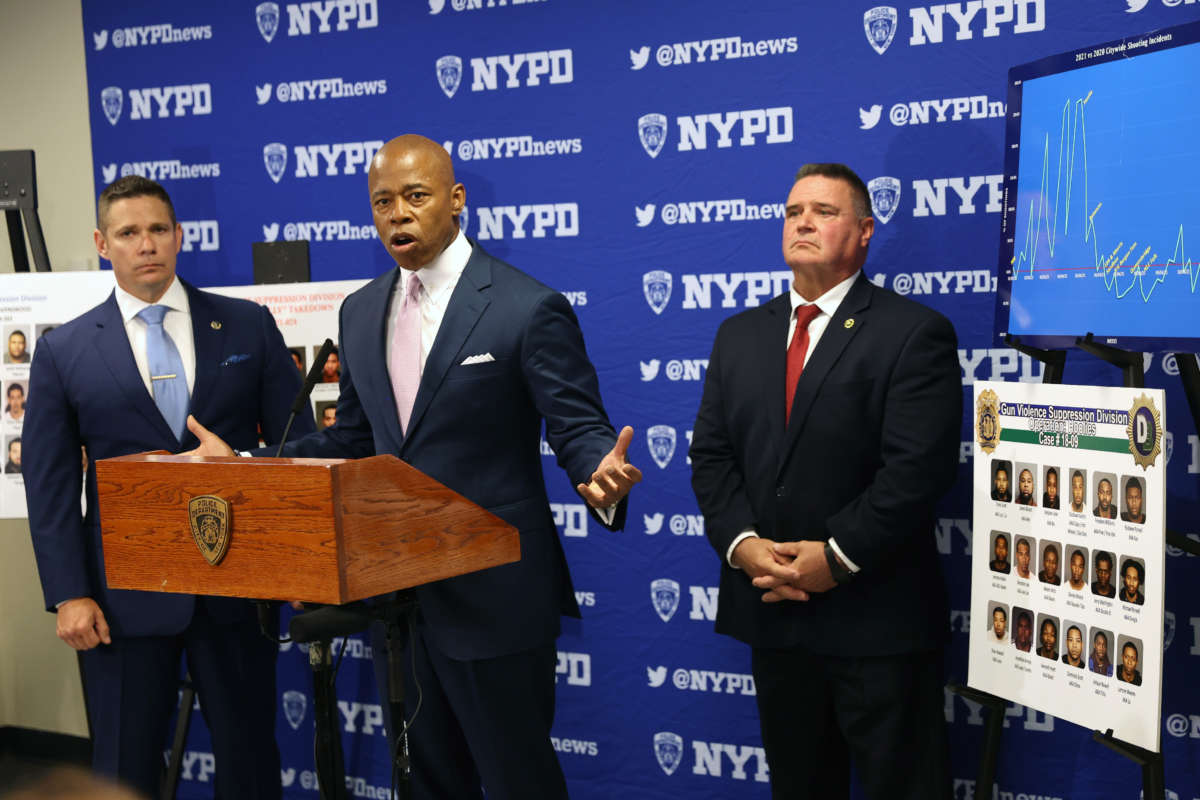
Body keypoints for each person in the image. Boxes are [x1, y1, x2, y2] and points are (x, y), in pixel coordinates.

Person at [186, 135, 640, 800]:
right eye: (382, 202)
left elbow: (577, 426)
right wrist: (251, 463)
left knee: (519, 781)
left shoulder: (524, 306)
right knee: (426, 782)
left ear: (455, 201)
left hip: (495, 596)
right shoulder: (362, 309)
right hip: (400, 597)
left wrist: (601, 474)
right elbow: (354, 441)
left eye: (415, 197)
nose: (397, 213)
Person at [23, 175, 312, 799]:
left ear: (180, 236)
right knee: (123, 767)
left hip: (236, 588)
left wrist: (241, 464)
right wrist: (69, 594)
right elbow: (47, 486)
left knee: (249, 763)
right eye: (128, 233)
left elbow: (302, 446)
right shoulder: (64, 351)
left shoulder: (246, 325)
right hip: (118, 600)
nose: (145, 244)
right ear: (104, 244)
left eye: (158, 229)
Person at [689, 162, 960, 799]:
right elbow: (712, 457)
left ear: (865, 232)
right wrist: (742, 546)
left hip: (877, 622)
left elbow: (918, 470)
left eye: (823, 211)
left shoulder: (912, 331)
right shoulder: (739, 335)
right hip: (775, 615)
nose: (803, 222)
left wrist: (835, 558)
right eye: (792, 212)